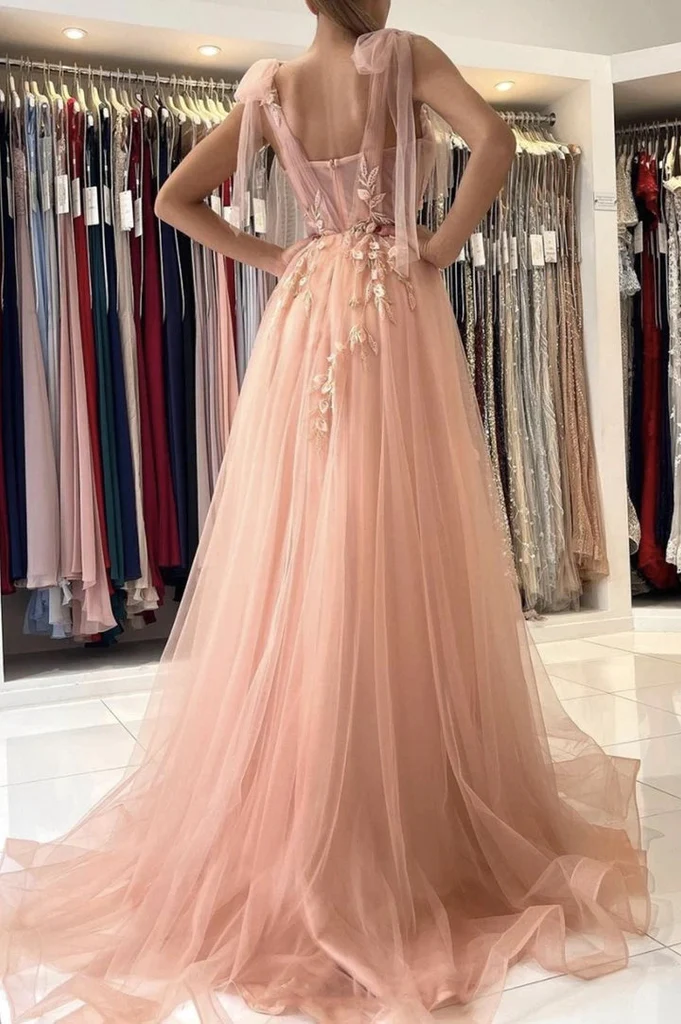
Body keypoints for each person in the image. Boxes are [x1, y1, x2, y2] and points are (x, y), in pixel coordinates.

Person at [0, 3, 649, 1023]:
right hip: (394, 309)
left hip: (308, 315)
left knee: (312, 544)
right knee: (400, 539)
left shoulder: (272, 87)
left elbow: (174, 200)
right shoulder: (401, 56)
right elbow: (490, 144)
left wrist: (282, 258)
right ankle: (402, 789)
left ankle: (318, 789)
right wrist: (432, 249)